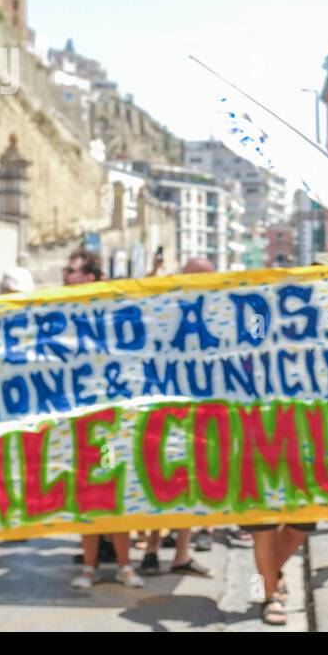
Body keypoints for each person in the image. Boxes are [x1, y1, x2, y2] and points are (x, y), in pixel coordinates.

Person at [63, 249, 144, 589]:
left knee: (114, 490)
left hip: (110, 424)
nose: (66, 275)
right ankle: (89, 567)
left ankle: (125, 565)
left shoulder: (112, 308)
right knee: (87, 494)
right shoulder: (56, 310)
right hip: (75, 422)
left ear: (91, 277)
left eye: (73, 271)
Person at [137, 256, 217, 577]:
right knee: (165, 480)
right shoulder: (166, 308)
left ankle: (174, 552)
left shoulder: (207, 308)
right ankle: (157, 550)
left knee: (188, 483)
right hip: (166, 410)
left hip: (195, 410)